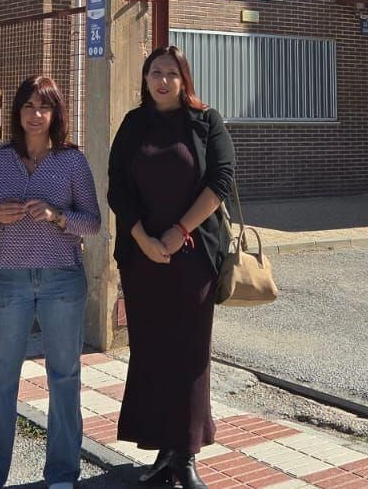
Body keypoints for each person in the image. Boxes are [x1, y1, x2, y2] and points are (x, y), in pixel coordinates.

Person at [107, 46, 235, 489]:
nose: (162, 80)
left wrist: (177, 232)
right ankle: (162, 451)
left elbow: (220, 181)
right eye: (155, 72)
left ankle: (186, 455)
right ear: (145, 78)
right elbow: (117, 187)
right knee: (151, 351)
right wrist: (143, 238)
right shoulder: (133, 124)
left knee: (190, 354)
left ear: (184, 79)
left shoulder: (206, 122)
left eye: (171, 73)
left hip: (194, 256)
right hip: (142, 259)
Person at [0, 75, 102, 489]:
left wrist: (57, 216)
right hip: (7, 280)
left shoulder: (72, 161)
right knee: (0, 378)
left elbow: (93, 223)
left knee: (64, 377)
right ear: (17, 112)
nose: (35, 115)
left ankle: (62, 475)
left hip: (62, 280)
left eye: (43, 107)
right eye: (27, 106)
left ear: (56, 113)